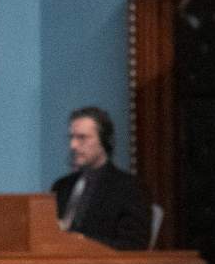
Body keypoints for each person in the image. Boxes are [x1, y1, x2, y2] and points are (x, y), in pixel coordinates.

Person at [51, 106, 150, 250]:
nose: (73, 145)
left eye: (82, 138)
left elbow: (133, 246)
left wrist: (81, 241)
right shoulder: (62, 186)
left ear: (104, 140)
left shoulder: (130, 188)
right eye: (71, 137)